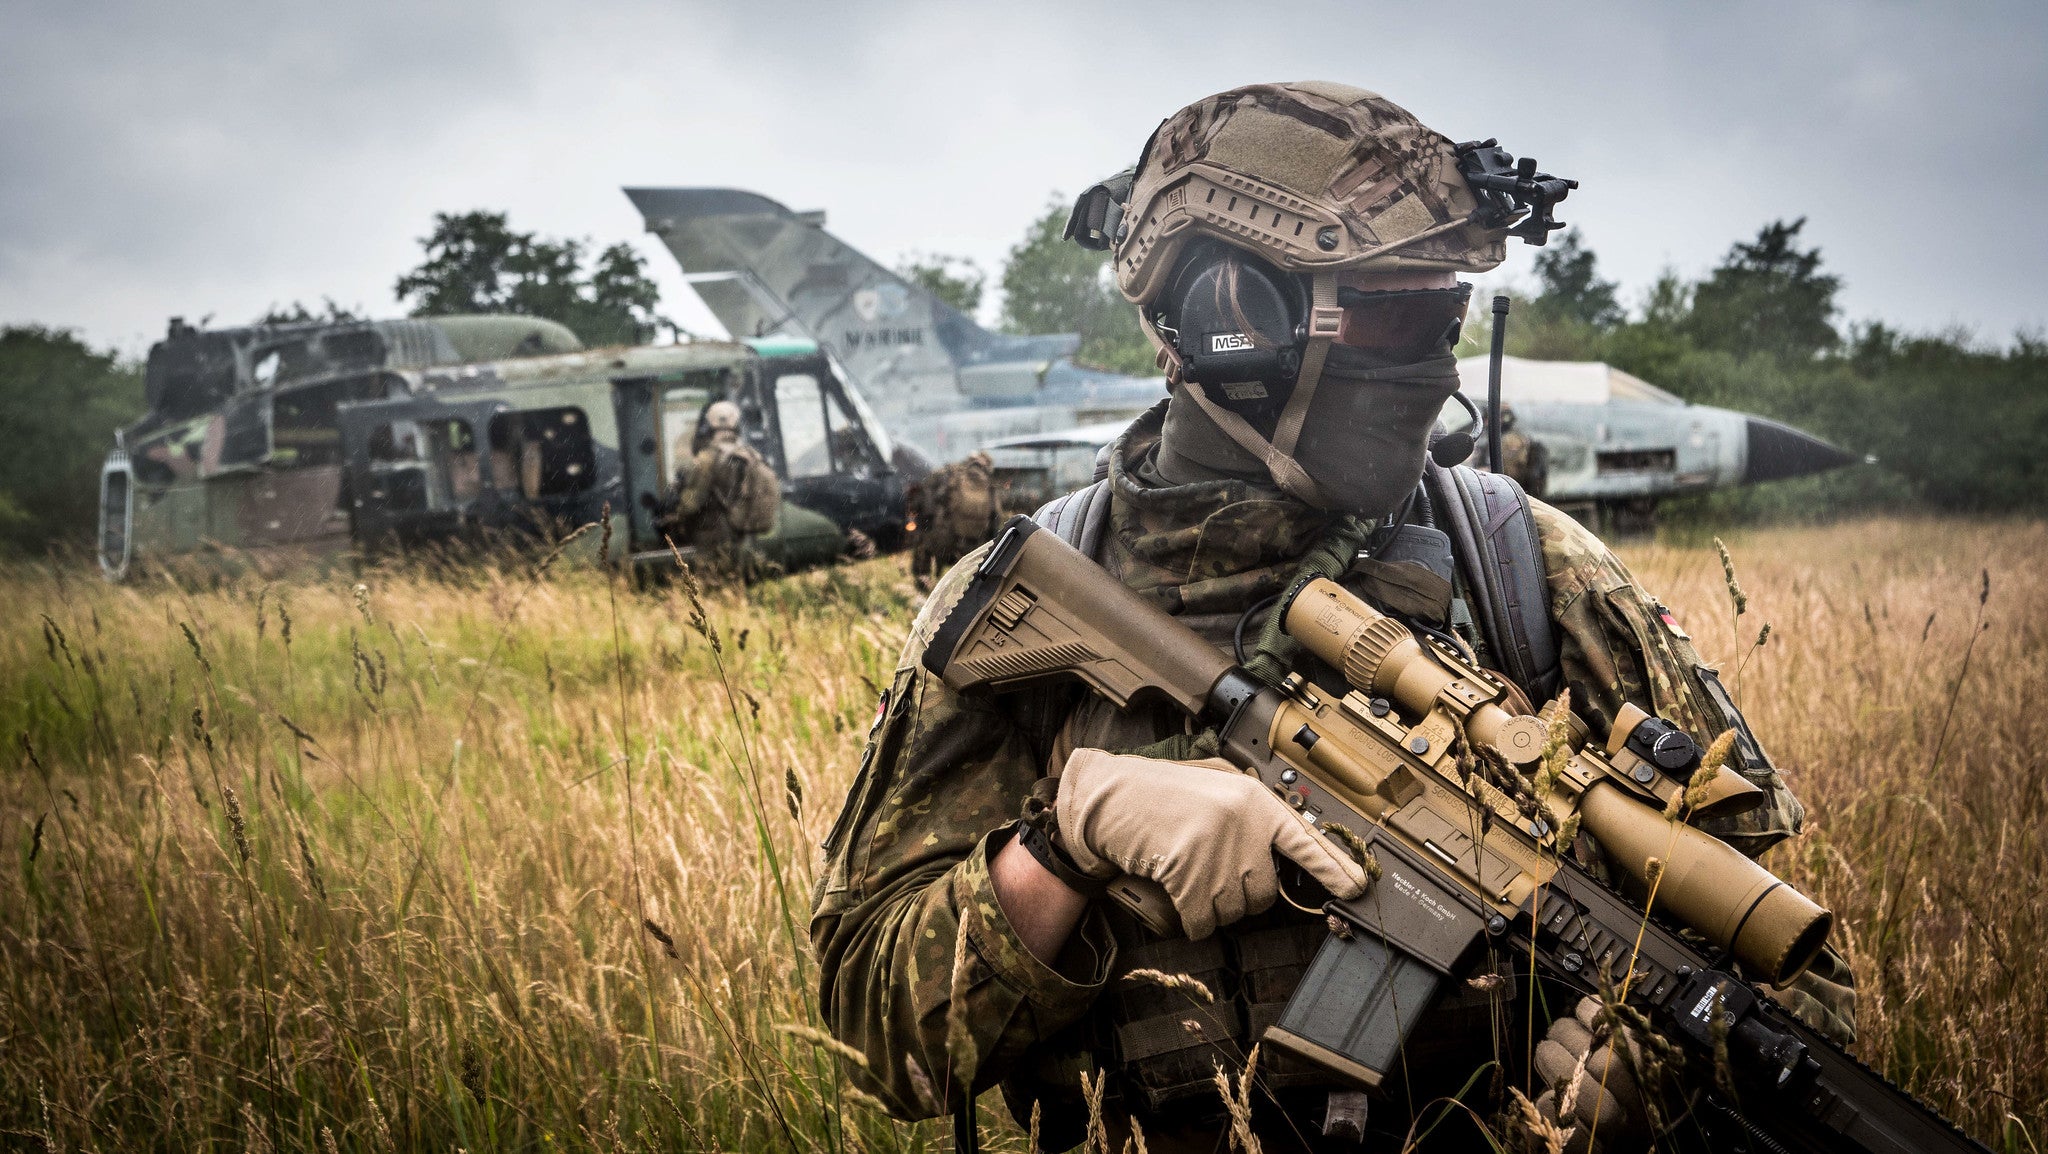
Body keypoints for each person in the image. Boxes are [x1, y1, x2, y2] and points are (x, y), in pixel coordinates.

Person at [812, 83, 1855, 1153]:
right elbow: (873, 1034)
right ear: (1229, 315)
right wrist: (1063, 845)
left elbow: (1806, 982)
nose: (1430, 363)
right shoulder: (1028, 602)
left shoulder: (1528, 570)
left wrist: (1661, 1076)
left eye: (1443, 315)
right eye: (1391, 313)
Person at [664, 400, 779, 573]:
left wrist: (676, 513)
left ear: (709, 425)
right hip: (739, 535)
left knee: (712, 586)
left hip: (711, 538)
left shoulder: (707, 459)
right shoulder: (749, 455)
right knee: (735, 586)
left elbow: (691, 504)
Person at [907, 450, 1003, 587]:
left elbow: (923, 501)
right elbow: (995, 522)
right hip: (972, 549)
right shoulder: (989, 486)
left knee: (922, 537)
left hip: (943, 543)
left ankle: (923, 578)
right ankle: (971, 588)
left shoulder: (948, 473)